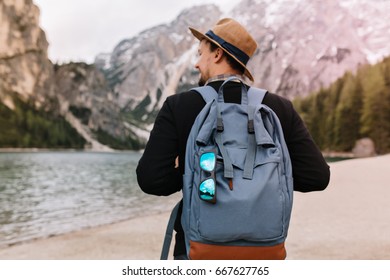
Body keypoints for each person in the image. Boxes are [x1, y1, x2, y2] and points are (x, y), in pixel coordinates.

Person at [136, 18, 330, 259]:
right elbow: (317, 177)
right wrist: (266, 177)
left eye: (200, 54)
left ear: (217, 54)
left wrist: (191, 172)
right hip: (263, 255)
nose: (197, 64)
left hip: (196, 251)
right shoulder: (280, 108)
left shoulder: (179, 106)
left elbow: (150, 180)